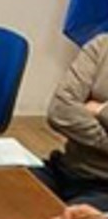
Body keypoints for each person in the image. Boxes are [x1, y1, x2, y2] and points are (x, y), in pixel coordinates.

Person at [36, 34, 108, 210]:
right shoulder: (101, 45)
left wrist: (99, 110)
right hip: (66, 168)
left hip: (104, 187)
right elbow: (60, 111)